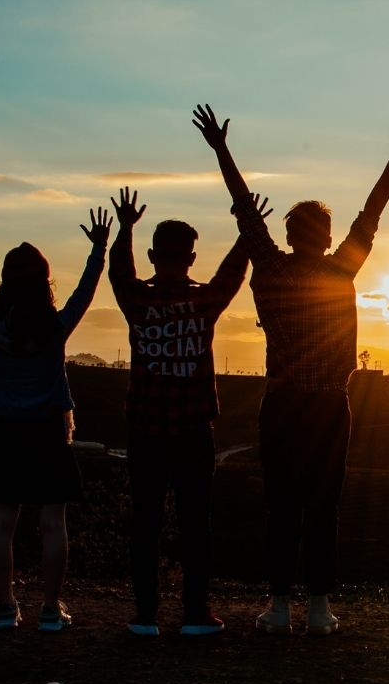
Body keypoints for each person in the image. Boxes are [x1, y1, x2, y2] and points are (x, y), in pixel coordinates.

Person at [194, 103, 389, 637]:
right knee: (324, 506)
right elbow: (372, 212)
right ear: (324, 236)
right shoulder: (340, 268)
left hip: (281, 404)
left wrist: (221, 150)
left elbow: (243, 209)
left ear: (290, 232)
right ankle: (319, 607)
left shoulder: (271, 268)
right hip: (328, 406)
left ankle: (278, 606)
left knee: (281, 506)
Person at [108, 186, 270, 637]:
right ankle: (195, 613)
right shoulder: (203, 302)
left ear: (153, 254)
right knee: (196, 523)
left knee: (145, 522)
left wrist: (123, 228)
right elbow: (232, 276)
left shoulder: (138, 302)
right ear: (192, 257)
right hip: (193, 431)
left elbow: (119, 273)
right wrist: (246, 231)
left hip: (144, 429)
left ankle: (144, 614)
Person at [0, 207, 112, 632]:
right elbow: (85, 293)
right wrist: (98, 250)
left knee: (2, 523)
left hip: (9, 432)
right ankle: (50, 608)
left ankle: (6, 607)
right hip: (50, 433)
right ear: (44, 281)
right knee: (53, 525)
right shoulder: (55, 326)